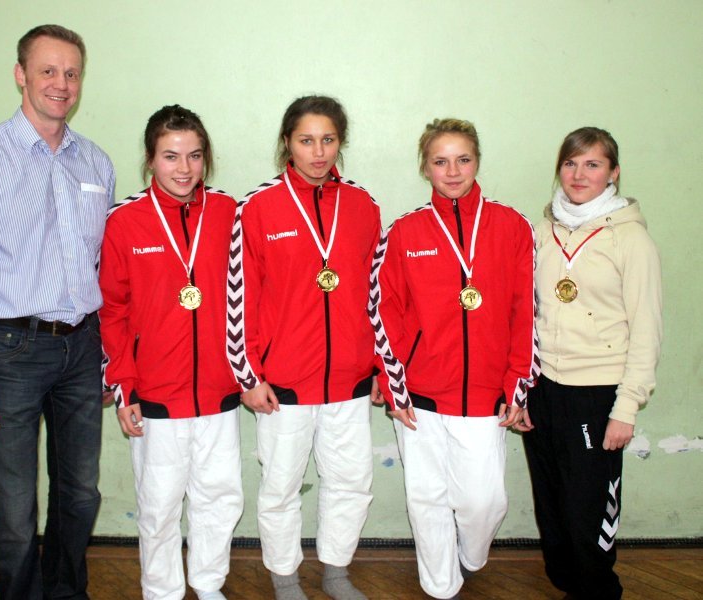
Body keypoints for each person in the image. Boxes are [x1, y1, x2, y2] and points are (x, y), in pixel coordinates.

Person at [0, 24, 114, 600]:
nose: (61, 84)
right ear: (21, 75)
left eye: (71, 73)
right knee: (15, 509)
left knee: (80, 494)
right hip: (10, 353)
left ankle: (65, 592)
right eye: (48, 71)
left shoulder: (96, 163)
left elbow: (102, 268)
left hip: (82, 348)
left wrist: (108, 359)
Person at [368, 118, 539, 599]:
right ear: (425, 168)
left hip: (485, 394)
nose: (453, 171)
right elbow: (384, 313)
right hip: (419, 394)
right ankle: (440, 584)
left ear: (477, 161)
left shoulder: (512, 226)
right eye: (440, 161)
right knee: (427, 497)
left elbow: (526, 312)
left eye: (463, 159)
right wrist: (394, 383)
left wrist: (518, 384)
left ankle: (471, 555)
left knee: (484, 501)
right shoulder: (404, 232)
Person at [226, 95, 380, 600]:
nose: (318, 152)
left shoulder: (363, 205)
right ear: (287, 143)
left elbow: (375, 294)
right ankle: (285, 577)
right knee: (280, 488)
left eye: (328, 140)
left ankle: (336, 571)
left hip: (349, 380)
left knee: (351, 483)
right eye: (306, 140)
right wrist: (249, 375)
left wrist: (379, 367)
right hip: (283, 383)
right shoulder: (257, 208)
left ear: (341, 142)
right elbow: (239, 298)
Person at [99, 105, 242, 600]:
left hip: (219, 391)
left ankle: (208, 583)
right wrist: (124, 386)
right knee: (159, 506)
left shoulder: (229, 213)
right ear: (150, 158)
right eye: (171, 156)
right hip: (156, 393)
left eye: (194, 156)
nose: (184, 168)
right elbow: (112, 311)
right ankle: (161, 591)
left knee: (219, 497)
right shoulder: (124, 221)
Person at [522, 127, 662, 599]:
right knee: (552, 510)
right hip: (543, 389)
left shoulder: (631, 239)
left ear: (613, 173)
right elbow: (524, 315)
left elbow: (647, 329)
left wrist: (626, 408)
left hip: (598, 394)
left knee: (588, 514)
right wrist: (522, 389)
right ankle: (568, 587)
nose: (579, 174)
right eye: (570, 163)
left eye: (592, 164)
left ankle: (600, 592)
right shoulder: (541, 231)